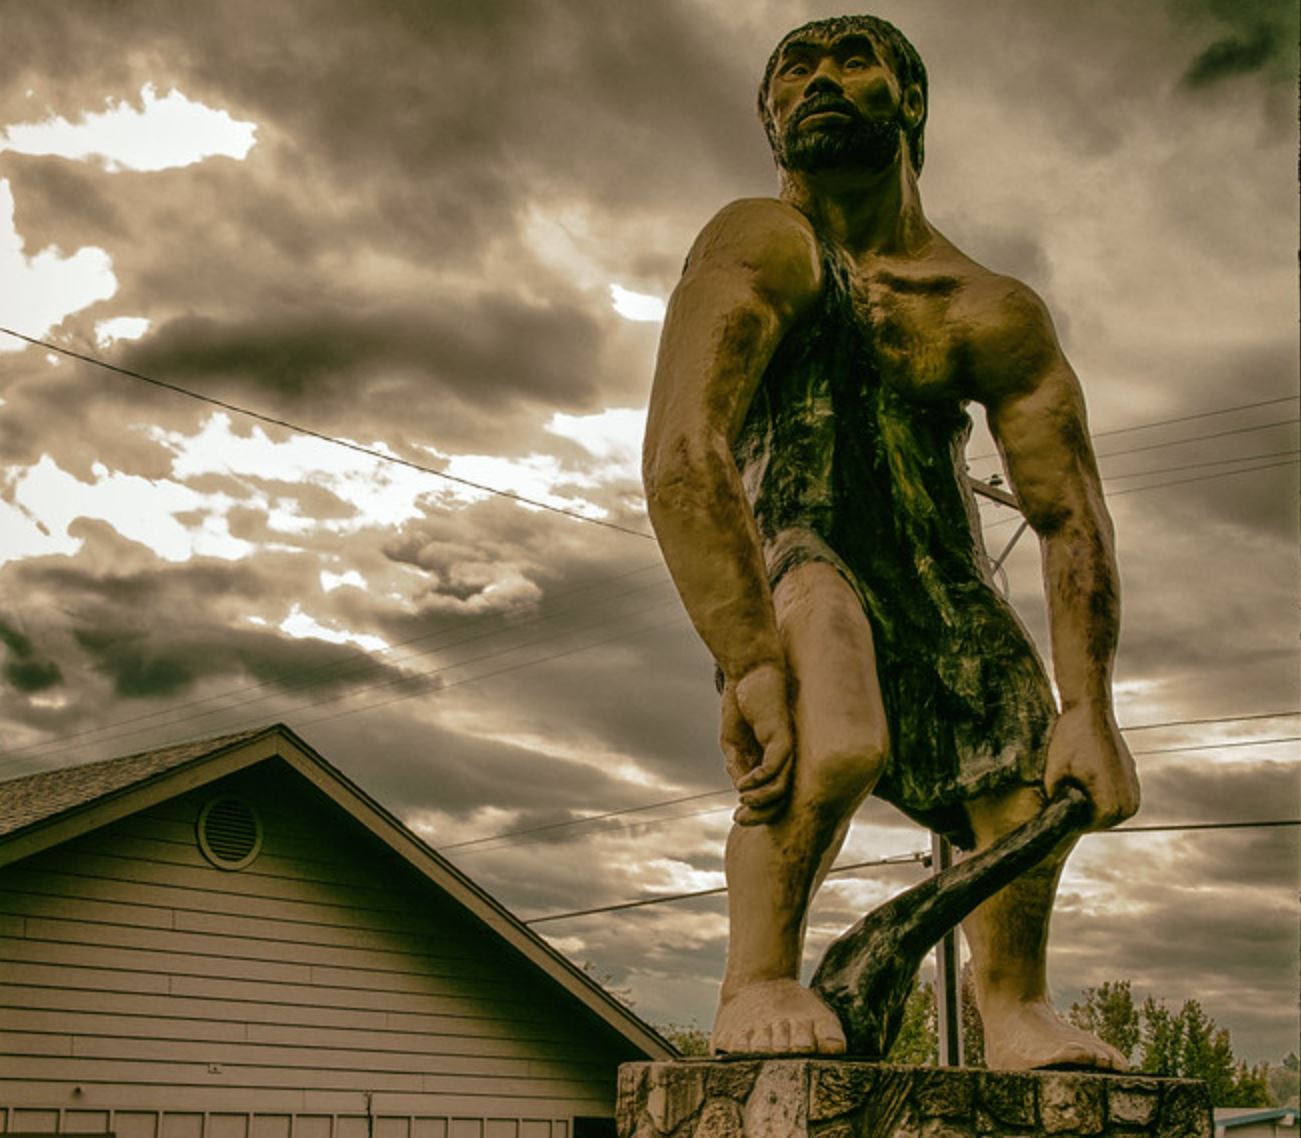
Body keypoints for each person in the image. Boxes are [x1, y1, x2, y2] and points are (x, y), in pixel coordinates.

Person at [641, 14, 1140, 1068]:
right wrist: (745, 659)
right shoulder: (757, 243)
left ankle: (1012, 1004)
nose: (818, 81)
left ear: (908, 100)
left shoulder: (986, 309)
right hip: (789, 538)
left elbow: (1067, 514)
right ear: (769, 118)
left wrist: (1090, 707)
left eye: (850, 60)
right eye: (793, 69)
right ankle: (758, 976)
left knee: (1016, 748)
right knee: (835, 720)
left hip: (932, 567)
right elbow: (686, 448)